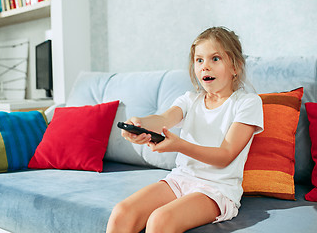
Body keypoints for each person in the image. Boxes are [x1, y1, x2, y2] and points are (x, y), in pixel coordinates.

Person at [106, 26, 264, 233]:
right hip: (180, 180)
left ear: (236, 66)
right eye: (199, 60)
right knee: (121, 213)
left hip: (216, 190)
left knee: (160, 220)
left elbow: (225, 155)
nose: (205, 67)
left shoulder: (247, 103)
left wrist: (179, 145)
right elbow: (164, 118)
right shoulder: (190, 100)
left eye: (215, 59)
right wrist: (139, 124)